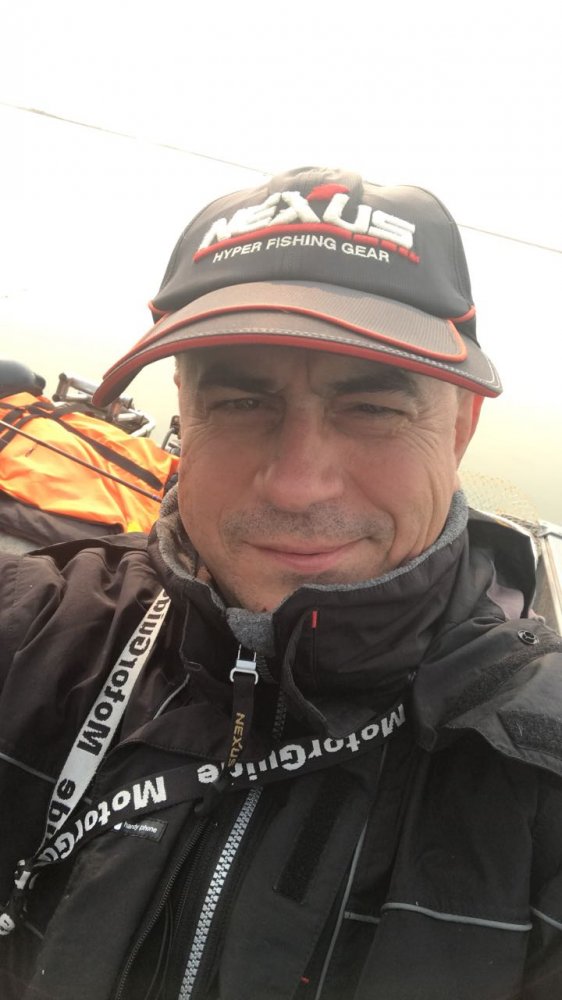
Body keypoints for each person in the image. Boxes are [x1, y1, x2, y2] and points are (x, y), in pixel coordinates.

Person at [0, 165, 561, 1000]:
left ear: (460, 428)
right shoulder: (38, 630)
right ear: (185, 411)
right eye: (240, 402)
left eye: (373, 409)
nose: (298, 485)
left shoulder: (540, 785)